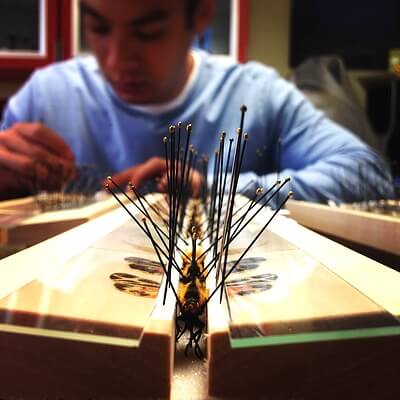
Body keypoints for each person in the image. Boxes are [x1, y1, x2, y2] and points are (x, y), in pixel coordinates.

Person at [0, 0, 393, 203]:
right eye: (98, 28)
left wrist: (215, 189)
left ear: (202, 14)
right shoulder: (44, 97)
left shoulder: (257, 95)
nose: (117, 60)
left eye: (149, 31)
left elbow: (368, 175)